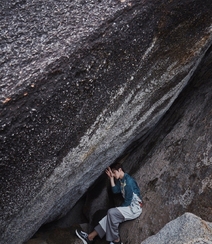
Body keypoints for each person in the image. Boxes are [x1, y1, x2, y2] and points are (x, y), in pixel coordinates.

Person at [75, 163, 142, 244]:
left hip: (134, 208)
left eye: (114, 172)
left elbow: (128, 201)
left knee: (112, 213)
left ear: (120, 170)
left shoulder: (129, 181)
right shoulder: (122, 180)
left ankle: (116, 241)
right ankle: (90, 237)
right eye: (112, 173)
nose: (113, 174)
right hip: (129, 207)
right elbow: (115, 190)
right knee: (109, 217)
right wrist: (111, 178)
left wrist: (117, 210)